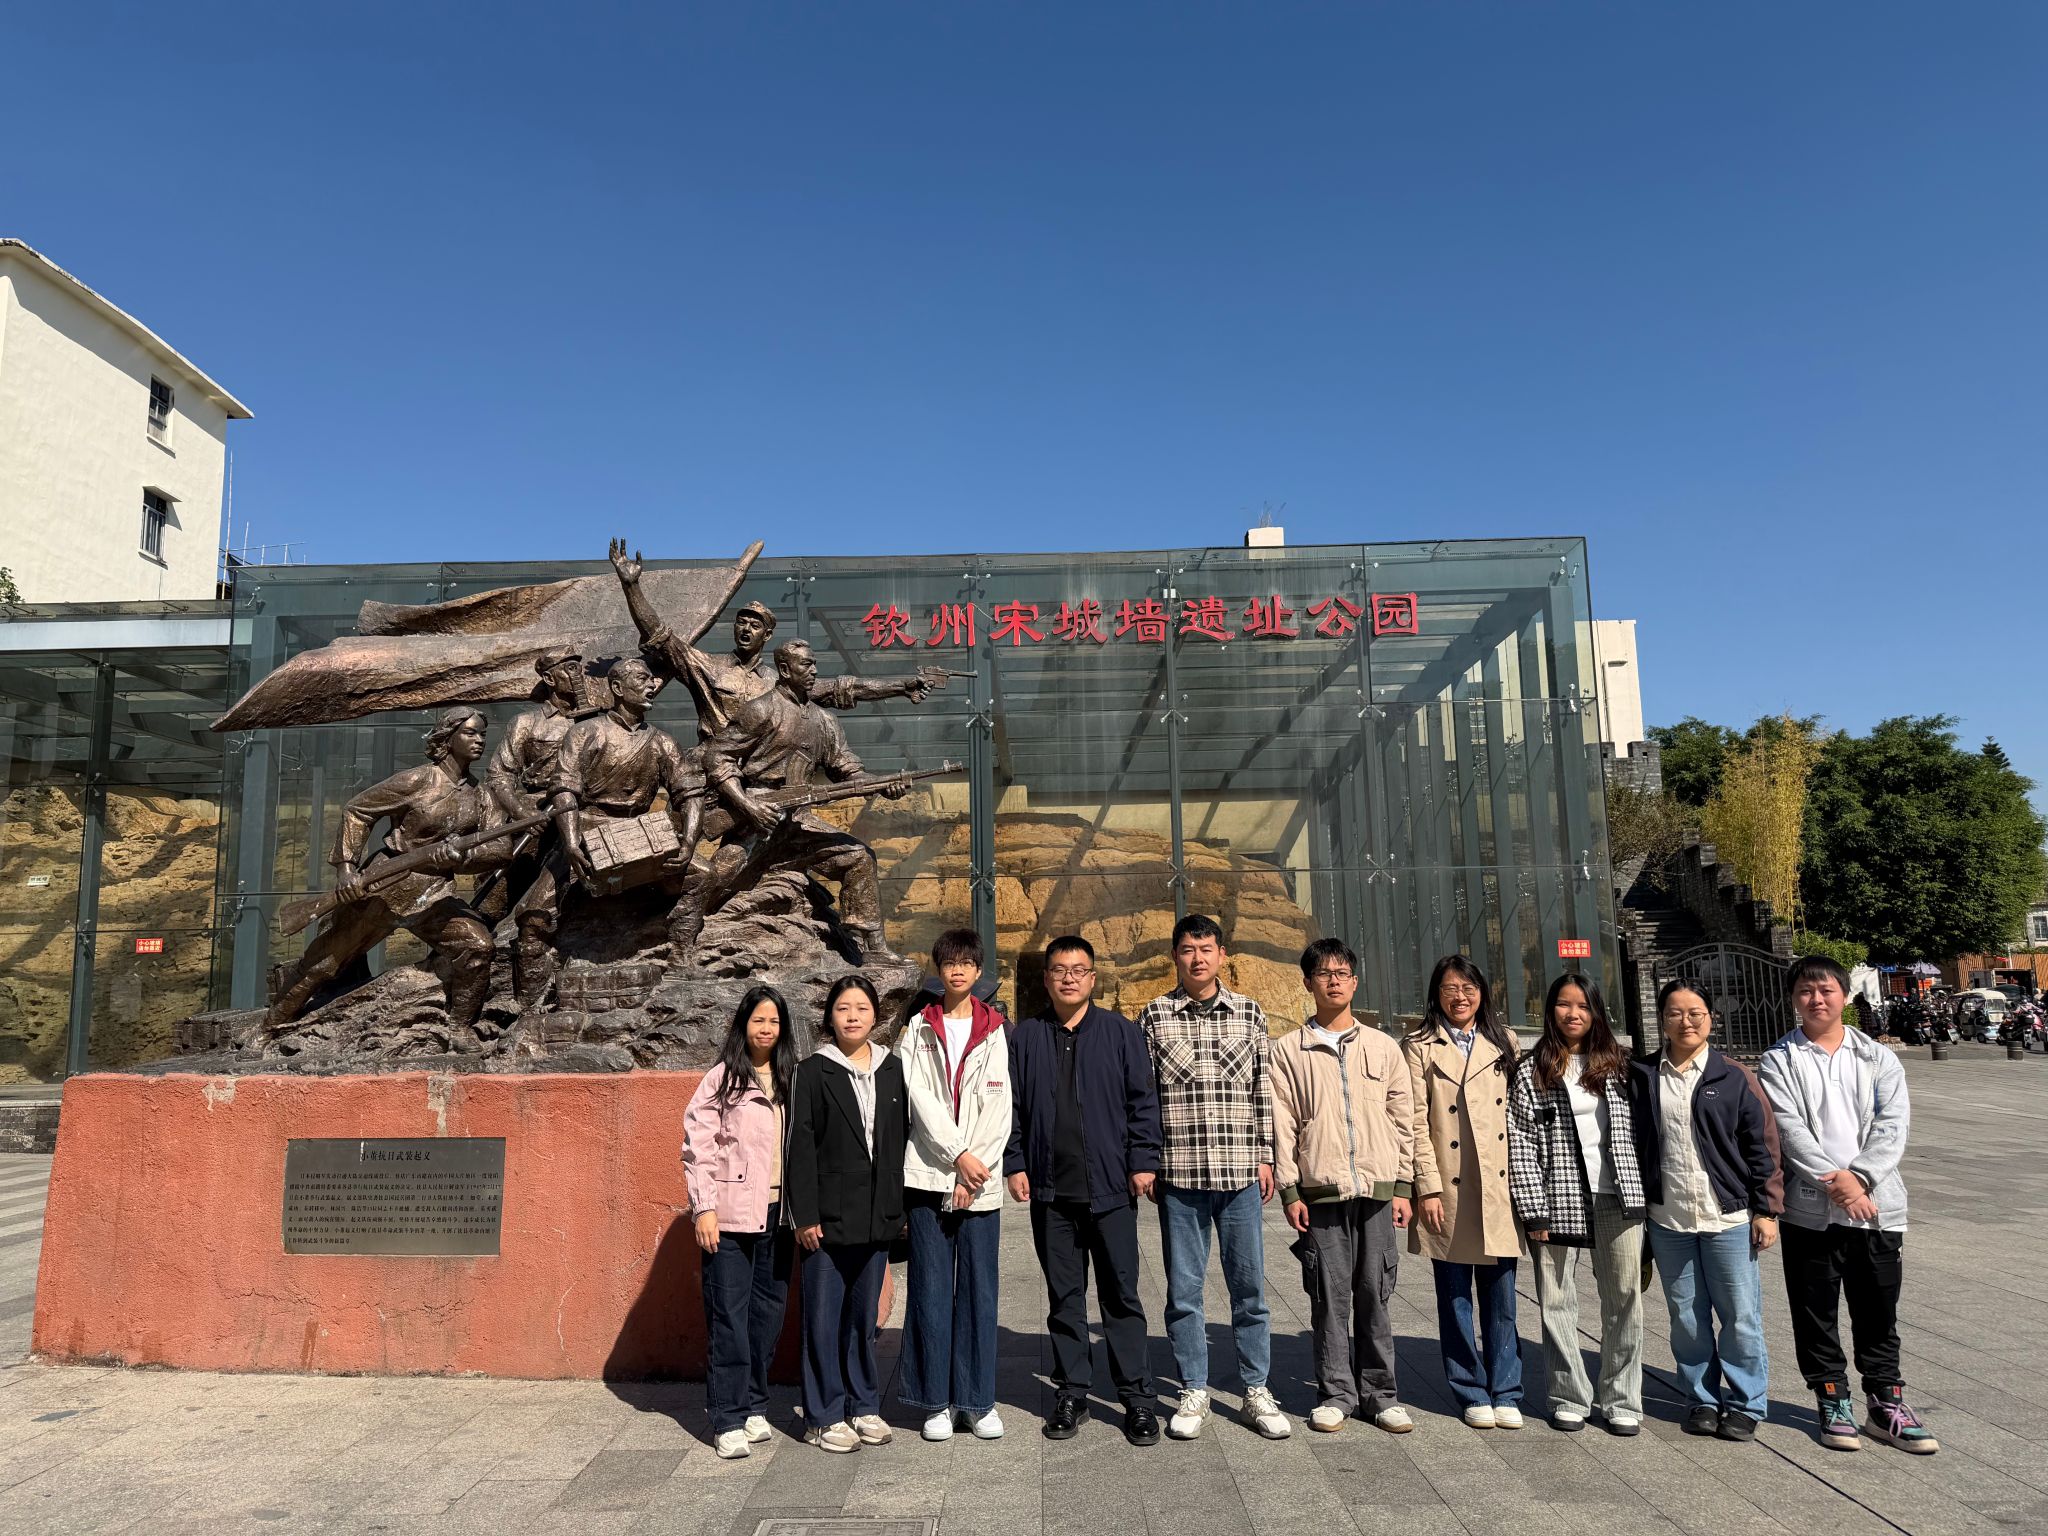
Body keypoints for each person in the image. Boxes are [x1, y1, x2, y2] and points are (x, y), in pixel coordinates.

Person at [1758, 955, 1936, 1455]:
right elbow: (1787, 1129)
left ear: (1844, 995)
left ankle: (1885, 1401)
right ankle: (1832, 1397)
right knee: (1814, 1309)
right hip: (1810, 1211)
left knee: (1878, 1308)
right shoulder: (1779, 1060)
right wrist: (1835, 1182)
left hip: (1876, 1207)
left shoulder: (1877, 1057)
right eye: (1806, 991)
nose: (1816, 999)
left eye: (1826, 990)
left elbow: (1893, 1124)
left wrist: (1859, 1180)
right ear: (1793, 1000)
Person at [1136, 914, 1289, 1441]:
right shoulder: (1154, 1015)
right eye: (1187, 949)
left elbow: (1262, 1089)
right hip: (1179, 1175)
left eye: (1206, 949)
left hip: (1240, 1173)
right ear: (1174, 957)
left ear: (1223, 955)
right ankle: (1193, 1388)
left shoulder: (1250, 1012)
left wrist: (1266, 1156)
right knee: (1184, 1291)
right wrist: (1146, 1159)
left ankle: (1255, 1389)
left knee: (1250, 1289)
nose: (1197, 958)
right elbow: (1144, 1097)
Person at [1006, 936, 1163, 1447]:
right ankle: (1072, 1391)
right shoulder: (1026, 1037)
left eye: (1078, 970)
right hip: (1052, 1194)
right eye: (1059, 970)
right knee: (1064, 1298)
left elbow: (1143, 1103)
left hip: (1111, 1190)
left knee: (1122, 1296)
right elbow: (1012, 1108)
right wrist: (1015, 1162)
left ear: (1093, 978)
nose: (1069, 978)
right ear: (1046, 978)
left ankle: (1137, 1398)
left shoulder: (1120, 1032)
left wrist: (1143, 1161)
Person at [263, 707, 503, 1037]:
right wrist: (347, 869)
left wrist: (461, 858)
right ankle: (267, 1029)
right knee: (322, 963)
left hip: (433, 892)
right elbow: (357, 811)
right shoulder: (417, 780)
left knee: (478, 947)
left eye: (483, 734)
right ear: (448, 738)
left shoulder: (481, 794)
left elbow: (499, 849)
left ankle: (459, 1029)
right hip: (385, 885)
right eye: (470, 733)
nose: (480, 740)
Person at [1271, 938, 1417, 1435]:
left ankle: (1381, 1394)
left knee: (1375, 1292)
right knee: (1328, 1297)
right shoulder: (1288, 1050)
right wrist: (1291, 1191)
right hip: (1321, 1191)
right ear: (1308, 983)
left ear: (1355, 982)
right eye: (1323, 973)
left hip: (1376, 1192)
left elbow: (1403, 1119)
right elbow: (1282, 1124)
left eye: (1342, 973)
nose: (1333, 981)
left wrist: (1403, 1186)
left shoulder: (1383, 1046)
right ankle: (1335, 1393)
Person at [1630, 979, 1782, 1443]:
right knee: (1687, 1317)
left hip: (1727, 1218)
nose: (1686, 1021)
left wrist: (1766, 1210)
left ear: (1710, 1018)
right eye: (1675, 1013)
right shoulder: (1642, 1074)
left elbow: (1763, 1145)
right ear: (1662, 1019)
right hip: (1669, 1218)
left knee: (1739, 1316)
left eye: (1695, 1012)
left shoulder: (1733, 1076)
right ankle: (1701, 1398)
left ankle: (1746, 1402)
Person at [699, 641, 910, 966]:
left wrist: (883, 786)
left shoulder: (824, 721)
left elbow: (848, 770)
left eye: (814, 664)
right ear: (784, 670)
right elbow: (717, 756)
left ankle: (872, 947)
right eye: (806, 665)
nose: (814, 671)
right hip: (758, 819)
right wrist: (746, 805)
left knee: (859, 858)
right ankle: (675, 938)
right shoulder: (761, 710)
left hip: (798, 824)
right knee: (716, 881)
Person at [511, 657, 698, 1005]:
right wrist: (570, 843)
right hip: (588, 829)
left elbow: (689, 794)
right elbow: (564, 791)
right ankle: (529, 1006)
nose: (652, 685)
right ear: (617, 688)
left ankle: (680, 957)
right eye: (642, 678)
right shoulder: (585, 732)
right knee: (533, 917)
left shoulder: (663, 742)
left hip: (639, 832)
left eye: (652, 679)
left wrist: (688, 842)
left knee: (703, 876)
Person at [1507, 973, 1647, 1435]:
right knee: (1556, 1297)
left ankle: (1622, 1397)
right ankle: (1568, 1394)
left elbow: (1643, 1133)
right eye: (1564, 1005)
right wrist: (1533, 1208)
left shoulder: (1620, 1066)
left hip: (1618, 1194)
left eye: (1583, 1006)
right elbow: (1521, 1142)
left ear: (1596, 1012)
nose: (1573, 1014)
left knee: (1624, 1298)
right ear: (1550, 1010)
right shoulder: (1532, 1070)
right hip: (1557, 1196)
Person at [786, 974, 910, 1453]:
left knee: (862, 1319)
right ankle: (821, 1416)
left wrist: (896, 1208)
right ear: (830, 1017)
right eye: (843, 1008)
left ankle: (863, 1405)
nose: (853, 1016)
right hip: (826, 1219)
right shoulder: (813, 1071)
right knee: (822, 1319)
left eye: (861, 1008)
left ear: (875, 1015)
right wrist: (804, 1216)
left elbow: (899, 1140)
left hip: (876, 1216)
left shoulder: (891, 1068)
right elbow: (799, 1147)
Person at [899, 928, 1012, 1442]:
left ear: (978, 970)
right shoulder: (918, 1028)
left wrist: (975, 1167)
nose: (958, 970)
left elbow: (999, 1106)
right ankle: (936, 1402)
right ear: (939, 970)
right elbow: (920, 1101)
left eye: (967, 962)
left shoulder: (995, 1030)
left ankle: (977, 1401)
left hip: (979, 1182)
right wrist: (957, 1158)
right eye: (949, 963)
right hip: (929, 1176)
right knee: (930, 1289)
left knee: (979, 1293)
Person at [1405, 954, 1525, 1429]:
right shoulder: (1419, 1046)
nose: (1460, 996)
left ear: (1482, 992)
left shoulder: (1505, 1041)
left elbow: (1519, 1115)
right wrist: (1427, 1188)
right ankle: (1470, 1388)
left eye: (1468, 987)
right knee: (1454, 1298)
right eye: (1450, 988)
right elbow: (1415, 1122)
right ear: (1436, 994)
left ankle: (1507, 1389)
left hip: (1497, 1185)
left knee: (1503, 1298)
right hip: (1449, 1186)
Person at [681, 986, 798, 1459]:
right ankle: (727, 1417)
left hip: (779, 1215)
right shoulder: (723, 1079)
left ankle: (753, 1405)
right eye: (758, 1020)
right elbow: (698, 1146)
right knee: (728, 1317)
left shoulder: (792, 1077)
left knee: (767, 1315)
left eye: (774, 1021)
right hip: (729, 1216)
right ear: (743, 1025)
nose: (766, 1029)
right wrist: (703, 1208)